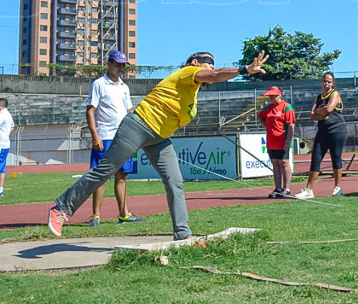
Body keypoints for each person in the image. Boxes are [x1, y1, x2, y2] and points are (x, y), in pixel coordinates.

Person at [48, 50, 269, 240]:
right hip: (138, 125)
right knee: (105, 171)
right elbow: (218, 74)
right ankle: (61, 208)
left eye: (212, 64)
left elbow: (212, 77)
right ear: (194, 63)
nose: (211, 68)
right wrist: (244, 69)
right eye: (207, 63)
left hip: (159, 138)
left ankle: (182, 233)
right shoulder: (187, 73)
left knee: (175, 181)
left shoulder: (192, 94)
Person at [85, 50, 142, 226]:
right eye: (117, 65)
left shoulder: (125, 87)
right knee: (101, 176)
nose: (120, 69)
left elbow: (128, 112)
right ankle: (95, 215)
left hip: (123, 137)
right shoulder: (99, 84)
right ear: (109, 64)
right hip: (105, 136)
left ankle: (124, 213)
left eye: (123, 66)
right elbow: (90, 110)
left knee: (122, 176)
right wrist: (95, 135)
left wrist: (133, 135)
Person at [295, 72, 346, 199]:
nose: (326, 83)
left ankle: (337, 187)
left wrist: (319, 112)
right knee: (316, 158)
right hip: (322, 130)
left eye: (329, 81)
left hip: (337, 129)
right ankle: (309, 190)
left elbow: (329, 109)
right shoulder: (318, 97)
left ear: (332, 83)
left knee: (336, 158)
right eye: (324, 81)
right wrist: (319, 112)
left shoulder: (334, 94)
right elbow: (311, 115)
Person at [257, 86, 295, 199]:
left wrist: (288, 141)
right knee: (275, 163)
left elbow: (291, 125)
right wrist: (266, 127)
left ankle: (286, 188)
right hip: (271, 141)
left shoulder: (286, 107)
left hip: (282, 140)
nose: (271, 97)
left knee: (284, 163)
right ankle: (278, 188)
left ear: (279, 95)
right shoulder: (268, 108)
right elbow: (260, 116)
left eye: (273, 95)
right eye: (270, 95)